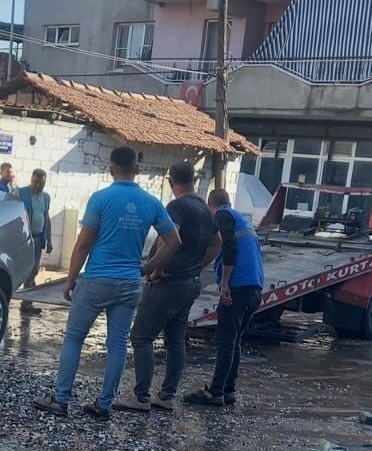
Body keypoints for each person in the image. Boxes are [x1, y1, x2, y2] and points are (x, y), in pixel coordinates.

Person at [34, 147, 181, 419]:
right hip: (129, 283)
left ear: (111, 168)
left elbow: (83, 243)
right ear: (136, 169)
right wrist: (148, 267)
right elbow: (174, 241)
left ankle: (61, 399)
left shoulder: (101, 199)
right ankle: (104, 405)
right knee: (116, 344)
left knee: (75, 338)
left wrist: (69, 280)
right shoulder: (151, 202)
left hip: (97, 280)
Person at [117, 162, 220, 412]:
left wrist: (154, 268)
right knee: (175, 340)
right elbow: (217, 244)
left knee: (141, 336)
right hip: (190, 283)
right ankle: (166, 396)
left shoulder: (178, 206)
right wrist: (197, 266)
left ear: (171, 181)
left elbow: (171, 240)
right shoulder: (205, 209)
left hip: (169, 282)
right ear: (193, 180)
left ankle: (141, 397)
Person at [185, 188, 266, 407]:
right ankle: (228, 390)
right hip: (255, 288)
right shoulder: (242, 219)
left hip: (238, 287)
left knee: (225, 342)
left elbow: (228, 246)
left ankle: (216, 392)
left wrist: (225, 284)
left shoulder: (222, 216)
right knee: (234, 341)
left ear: (211, 205)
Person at [17, 168, 52, 315]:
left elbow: (46, 217)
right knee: (19, 269)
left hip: (38, 239)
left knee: (33, 270)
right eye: (36, 182)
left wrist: (49, 239)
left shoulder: (46, 197)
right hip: (23, 239)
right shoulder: (21, 193)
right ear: (31, 180)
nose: (38, 185)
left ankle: (27, 303)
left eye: (42, 183)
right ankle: (7, 298)